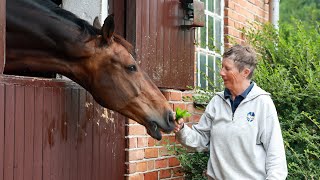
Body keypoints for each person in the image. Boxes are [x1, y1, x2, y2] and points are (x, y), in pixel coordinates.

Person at [174, 44, 288, 180]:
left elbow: (276, 156)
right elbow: (200, 140)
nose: (221, 72)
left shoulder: (262, 103)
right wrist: (181, 129)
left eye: (227, 68)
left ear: (245, 72)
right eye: (222, 67)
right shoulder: (217, 102)